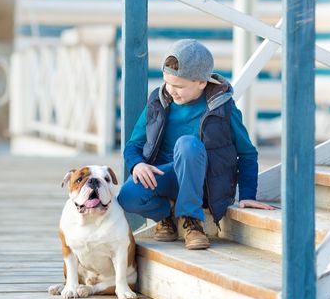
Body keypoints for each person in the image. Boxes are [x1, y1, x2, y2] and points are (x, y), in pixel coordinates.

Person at [117, 39, 274, 250]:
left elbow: (247, 153)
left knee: (187, 145)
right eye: (167, 82)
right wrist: (137, 164)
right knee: (127, 197)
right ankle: (167, 215)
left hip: (203, 181)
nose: (171, 90)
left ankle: (191, 220)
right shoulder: (159, 100)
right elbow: (133, 145)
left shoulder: (222, 107)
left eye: (179, 86)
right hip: (165, 176)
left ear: (202, 82)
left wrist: (247, 195)